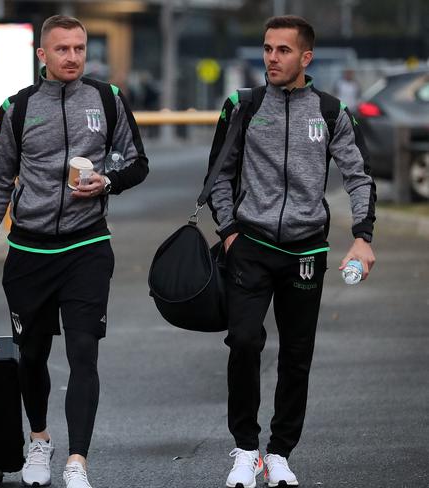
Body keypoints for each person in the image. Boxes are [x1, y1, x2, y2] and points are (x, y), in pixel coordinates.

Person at [0, 14, 148, 488]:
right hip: (29, 252)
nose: (72, 57)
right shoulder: (18, 108)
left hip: (87, 247)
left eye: (79, 49)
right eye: (62, 49)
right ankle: (39, 441)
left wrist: (110, 180)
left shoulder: (107, 99)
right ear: (42, 55)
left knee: (84, 353)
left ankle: (78, 460)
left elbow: (138, 161)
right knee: (33, 355)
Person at [207, 15, 376, 488]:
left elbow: (358, 176)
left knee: (296, 354)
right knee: (243, 341)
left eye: (283, 50)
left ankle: (279, 452)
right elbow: (220, 173)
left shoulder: (329, 111)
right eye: (266, 49)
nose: (272, 58)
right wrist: (228, 231)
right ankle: (245, 449)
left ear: (306, 58)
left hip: (306, 251)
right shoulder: (244, 105)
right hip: (251, 245)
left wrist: (362, 236)